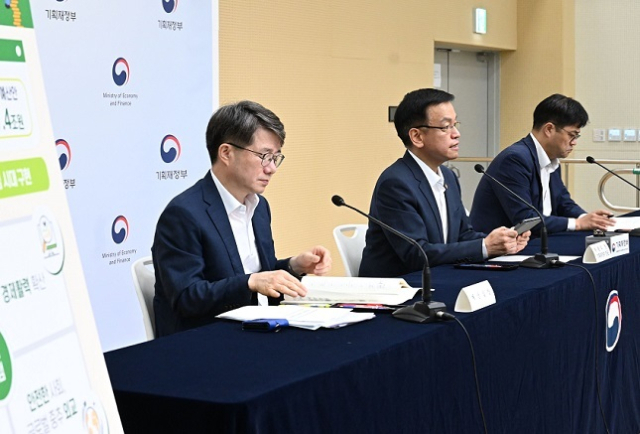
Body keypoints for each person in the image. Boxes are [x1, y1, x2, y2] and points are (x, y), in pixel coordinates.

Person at [152, 101, 332, 337]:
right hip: (206, 338)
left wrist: (294, 266)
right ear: (226, 153)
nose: (272, 168)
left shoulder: (259, 207)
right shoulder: (184, 214)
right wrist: (250, 282)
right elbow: (186, 297)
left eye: (276, 158)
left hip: (257, 329)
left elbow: (260, 274)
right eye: (264, 156)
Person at [358, 88, 529, 278]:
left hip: (439, 278)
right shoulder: (396, 183)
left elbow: (463, 235)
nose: (456, 134)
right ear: (417, 137)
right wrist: (484, 247)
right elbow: (417, 254)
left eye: (455, 124)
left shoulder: (448, 176)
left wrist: (502, 241)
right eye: (445, 127)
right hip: (400, 286)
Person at [470, 93, 614, 234]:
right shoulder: (515, 159)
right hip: (505, 245)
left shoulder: (551, 158)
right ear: (549, 129)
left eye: (577, 136)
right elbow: (526, 220)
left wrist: (588, 219)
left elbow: (563, 202)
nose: (574, 142)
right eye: (572, 135)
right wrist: (578, 224)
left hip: (539, 237)